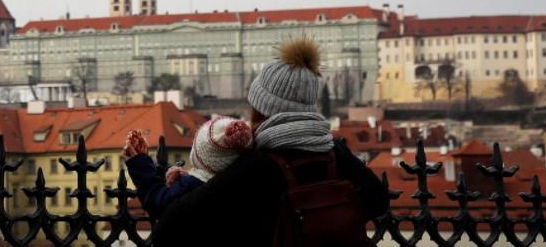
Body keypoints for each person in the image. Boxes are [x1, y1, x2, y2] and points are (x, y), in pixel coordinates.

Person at [151, 37, 389, 246]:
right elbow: (378, 202)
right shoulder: (336, 153)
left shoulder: (257, 166)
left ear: (261, 108)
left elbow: (168, 230)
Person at [122, 116, 254, 218]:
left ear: (198, 155)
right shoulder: (240, 180)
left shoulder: (192, 185)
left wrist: (140, 165)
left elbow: (157, 201)